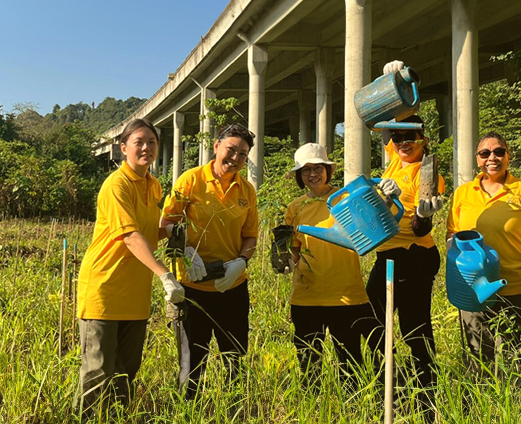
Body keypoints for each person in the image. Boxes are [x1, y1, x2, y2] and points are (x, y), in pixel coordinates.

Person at [76, 118, 185, 418]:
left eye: (152, 142)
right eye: (139, 141)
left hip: (135, 297)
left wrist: (170, 231)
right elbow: (130, 236)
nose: (146, 147)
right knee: (97, 371)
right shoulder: (116, 185)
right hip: (105, 290)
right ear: (123, 148)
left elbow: (148, 231)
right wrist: (164, 274)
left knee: (126, 372)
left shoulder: (153, 185)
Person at [365, 60, 446, 413]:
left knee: (416, 328)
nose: (401, 142)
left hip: (415, 255)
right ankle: (392, 386)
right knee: (369, 323)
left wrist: (422, 216)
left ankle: (427, 398)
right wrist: (391, 78)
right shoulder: (395, 158)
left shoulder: (427, 170)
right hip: (386, 256)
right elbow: (382, 121)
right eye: (397, 137)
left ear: (422, 139)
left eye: (409, 136)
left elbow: (420, 229)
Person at [160, 123, 258, 398]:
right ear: (216, 146)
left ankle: (234, 409)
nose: (235, 158)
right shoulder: (189, 181)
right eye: (231, 149)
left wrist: (241, 261)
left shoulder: (247, 191)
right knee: (191, 362)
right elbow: (165, 224)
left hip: (232, 286)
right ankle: (187, 410)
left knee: (235, 357)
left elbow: (250, 237)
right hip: (193, 287)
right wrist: (187, 250)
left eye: (243, 154)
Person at [278, 143, 375, 388]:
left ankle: (353, 411)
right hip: (307, 296)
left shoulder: (345, 199)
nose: (313, 174)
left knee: (351, 362)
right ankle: (312, 408)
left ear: (328, 170)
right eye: (306, 170)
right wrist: (285, 261)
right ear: (299, 176)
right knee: (309, 364)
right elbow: (294, 249)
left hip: (346, 295)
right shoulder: (295, 208)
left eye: (318, 168)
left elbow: (370, 231)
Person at [446, 132, 521, 371]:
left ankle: (515, 406)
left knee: (513, 354)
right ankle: (481, 404)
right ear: (477, 159)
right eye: (485, 153)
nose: (492, 158)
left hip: (514, 284)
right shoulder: (463, 193)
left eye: (499, 152)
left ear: (508, 156)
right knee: (478, 353)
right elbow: (452, 236)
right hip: (472, 287)